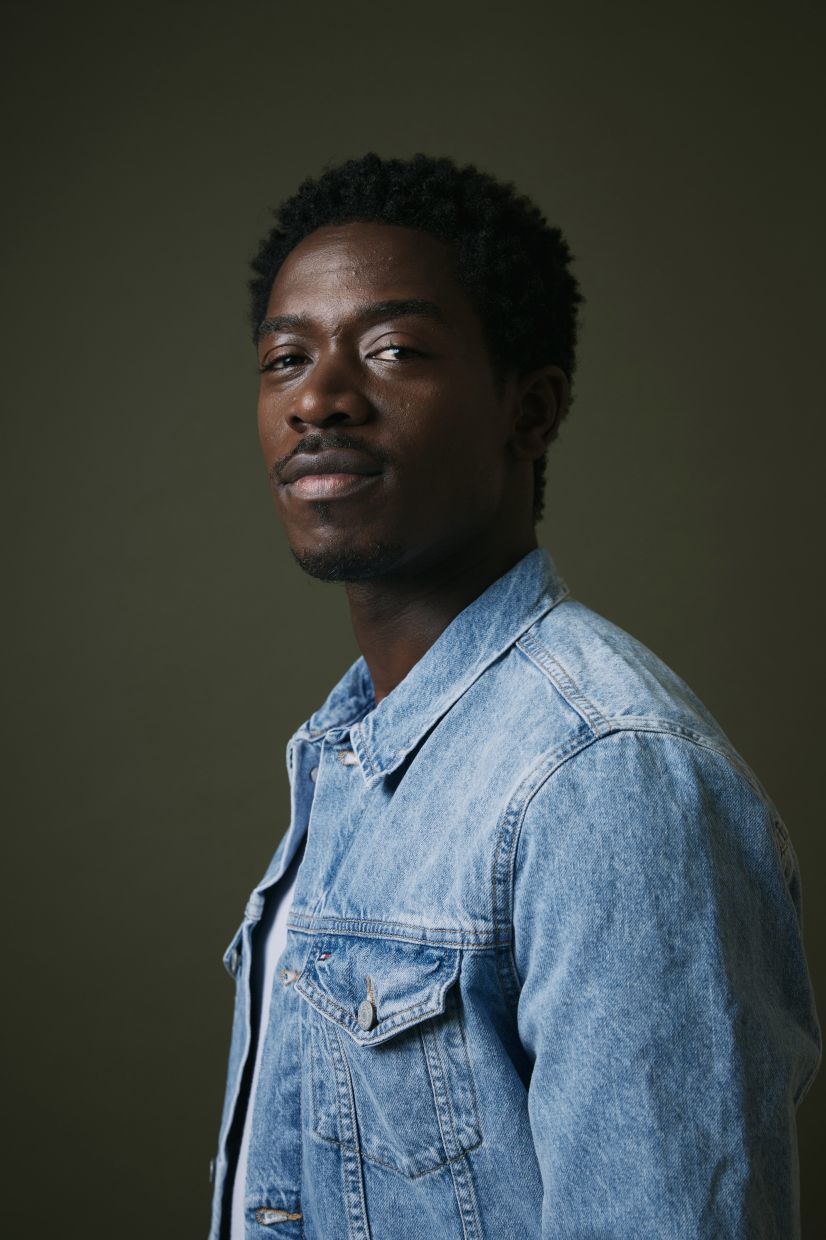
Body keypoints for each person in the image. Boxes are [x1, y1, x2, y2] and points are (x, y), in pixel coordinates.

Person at [208, 153, 820, 1240]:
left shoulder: (604, 775)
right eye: (284, 357)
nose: (319, 397)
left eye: (392, 349)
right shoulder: (353, 749)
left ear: (528, 411)